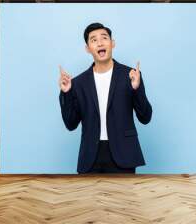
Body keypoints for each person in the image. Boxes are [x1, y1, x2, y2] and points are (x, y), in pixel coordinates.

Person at [59, 22, 152, 174]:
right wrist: (67, 92)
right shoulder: (78, 83)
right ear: (87, 48)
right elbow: (70, 124)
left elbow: (145, 117)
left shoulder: (131, 76)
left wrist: (136, 89)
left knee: (123, 198)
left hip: (124, 154)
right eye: (93, 40)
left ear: (112, 43)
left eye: (104, 38)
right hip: (90, 156)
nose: (100, 42)